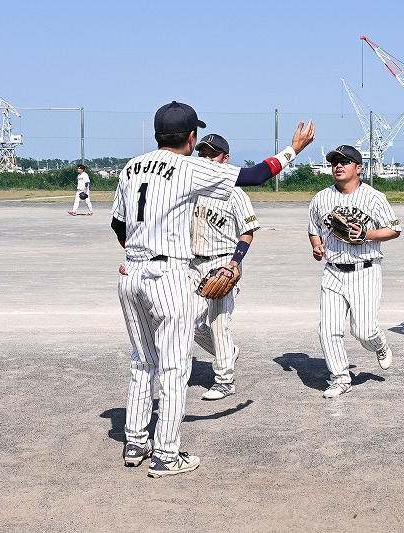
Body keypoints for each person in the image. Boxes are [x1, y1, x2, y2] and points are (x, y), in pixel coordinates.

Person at [111, 101, 313, 477]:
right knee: (174, 368)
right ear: (191, 137)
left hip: (131, 274)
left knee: (142, 362)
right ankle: (166, 455)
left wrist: (138, 254)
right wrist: (294, 150)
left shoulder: (130, 167)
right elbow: (255, 175)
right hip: (168, 275)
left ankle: (135, 441)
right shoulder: (189, 167)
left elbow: (118, 226)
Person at [308, 145, 401, 398]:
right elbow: (314, 229)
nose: (338, 166)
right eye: (334, 162)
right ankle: (340, 378)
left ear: (359, 168)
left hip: (365, 270)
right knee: (328, 329)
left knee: (363, 331)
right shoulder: (321, 198)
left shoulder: (374, 197)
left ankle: (379, 344)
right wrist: (316, 246)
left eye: (345, 162)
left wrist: (367, 234)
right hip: (332, 271)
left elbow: (394, 229)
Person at [191, 134, 258, 400]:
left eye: (213, 155)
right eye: (203, 155)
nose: (207, 159)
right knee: (190, 323)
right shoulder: (191, 191)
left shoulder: (235, 193)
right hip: (192, 264)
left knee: (218, 324)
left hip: (222, 263)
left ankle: (225, 381)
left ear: (225, 159)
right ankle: (227, 353)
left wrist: (233, 264)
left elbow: (247, 232)